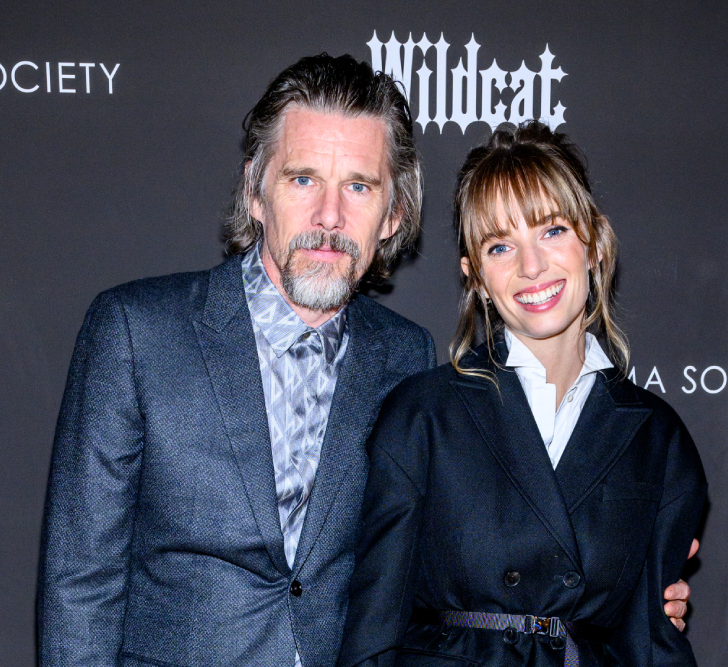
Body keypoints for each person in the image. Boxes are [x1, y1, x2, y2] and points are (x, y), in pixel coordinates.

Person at [38, 54, 693, 666]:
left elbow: (451, 556)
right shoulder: (136, 331)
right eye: (303, 179)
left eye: (359, 185)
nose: (329, 215)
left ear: (392, 215)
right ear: (256, 191)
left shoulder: (407, 358)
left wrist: (635, 580)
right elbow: (79, 583)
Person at [338, 123, 707, 666]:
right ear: (477, 278)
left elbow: (652, 643)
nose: (531, 267)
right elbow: (371, 636)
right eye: (500, 246)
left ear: (596, 243)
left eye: (552, 231)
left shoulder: (658, 438)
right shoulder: (422, 416)